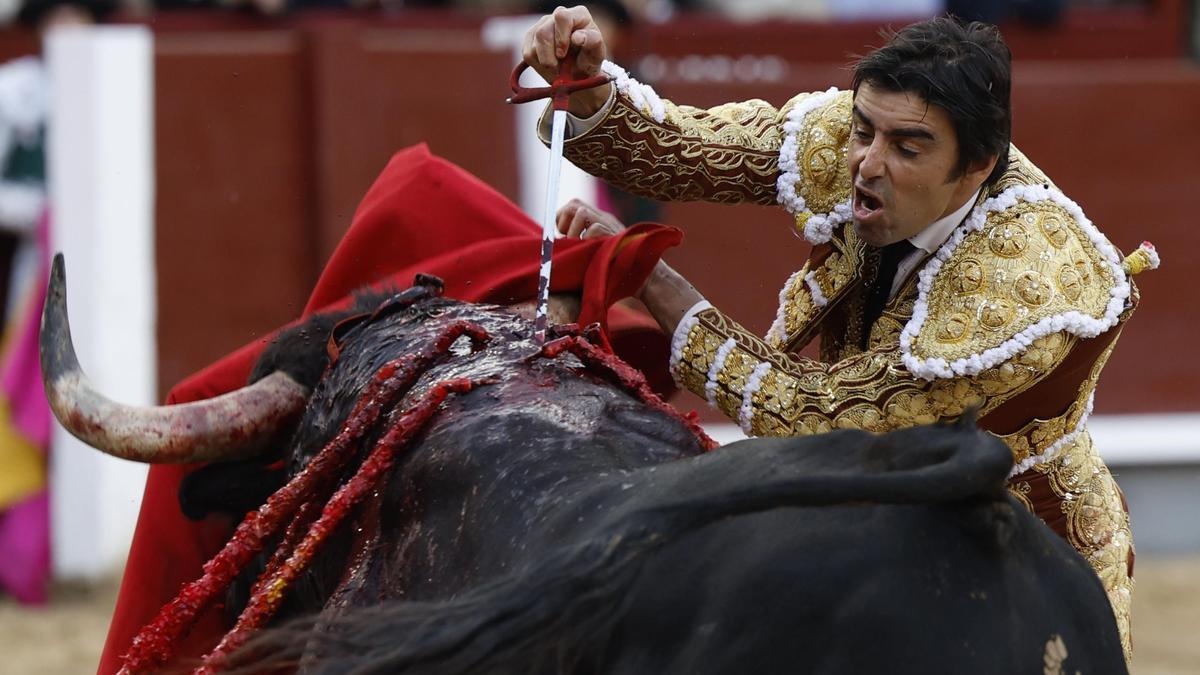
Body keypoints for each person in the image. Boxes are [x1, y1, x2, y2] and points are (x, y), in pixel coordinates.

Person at [522, 7, 1159, 661]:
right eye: (864, 131)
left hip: (1020, 549)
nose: (868, 163)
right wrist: (592, 86)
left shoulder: (1028, 282)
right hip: (867, 514)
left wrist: (653, 279)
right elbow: (687, 149)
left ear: (976, 167)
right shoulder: (861, 138)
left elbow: (817, 420)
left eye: (907, 149)